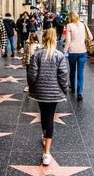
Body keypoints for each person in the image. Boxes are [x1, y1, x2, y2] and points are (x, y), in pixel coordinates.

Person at [27, 28, 68, 166]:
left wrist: (32, 89)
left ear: (43, 38)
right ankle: (47, 153)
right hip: (54, 93)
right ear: (55, 39)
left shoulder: (37, 55)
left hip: (40, 92)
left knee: (44, 115)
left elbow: (32, 75)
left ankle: (45, 138)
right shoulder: (59, 56)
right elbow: (63, 76)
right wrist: (64, 90)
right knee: (49, 117)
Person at [64, 10, 93, 101]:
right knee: (80, 72)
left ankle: (72, 87)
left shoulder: (69, 25)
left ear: (70, 17)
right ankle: (80, 92)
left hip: (72, 51)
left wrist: (65, 51)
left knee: (72, 70)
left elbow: (68, 40)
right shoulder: (83, 25)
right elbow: (91, 37)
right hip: (82, 51)